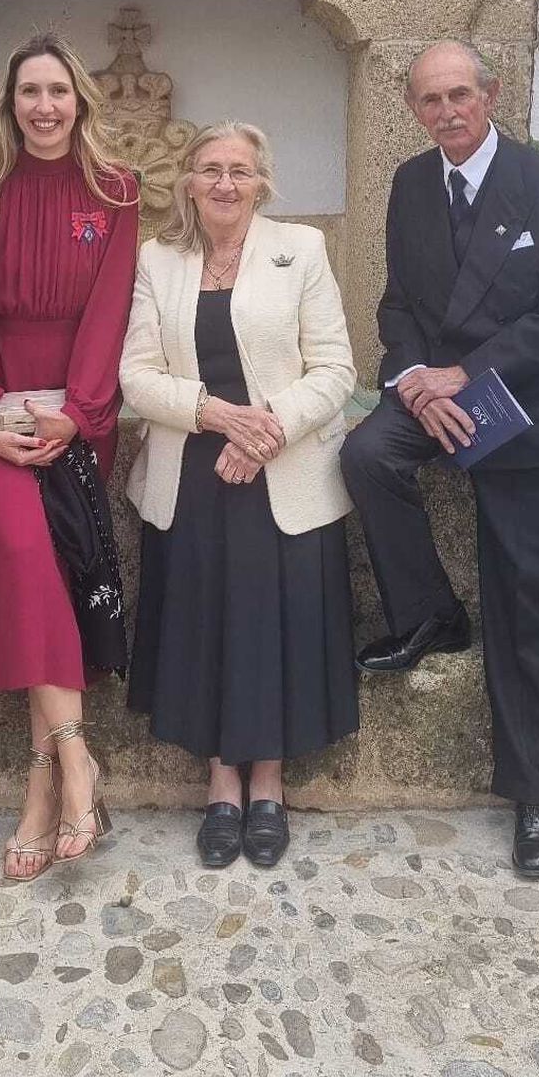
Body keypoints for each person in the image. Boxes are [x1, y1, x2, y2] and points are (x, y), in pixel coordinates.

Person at [340, 40, 539, 879]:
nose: (446, 111)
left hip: (519, 407)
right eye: (429, 100)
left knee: (526, 600)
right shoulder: (413, 184)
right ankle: (431, 614)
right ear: (414, 108)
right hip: (436, 397)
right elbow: (400, 303)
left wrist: (468, 372)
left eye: (460, 94)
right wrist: (414, 380)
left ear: (489, 95)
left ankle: (535, 795)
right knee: (368, 451)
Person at [122, 123, 358, 870]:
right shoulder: (157, 260)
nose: (225, 183)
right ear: (187, 181)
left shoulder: (302, 251)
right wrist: (215, 414)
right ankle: (221, 783)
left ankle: (269, 786)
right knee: (208, 622)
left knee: (271, 626)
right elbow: (134, 374)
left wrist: (263, 434)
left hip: (280, 470)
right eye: (210, 169)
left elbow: (336, 369)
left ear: (262, 182)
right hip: (191, 468)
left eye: (241, 171)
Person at [0, 35, 139, 878]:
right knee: (23, 557)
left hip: (77, 416)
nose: (46, 105)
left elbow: (112, 307)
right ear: (10, 101)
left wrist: (83, 414)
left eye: (59, 90)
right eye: (31, 91)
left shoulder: (117, 192)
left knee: (46, 581)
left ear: (81, 99)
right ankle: (74, 761)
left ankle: (40, 782)